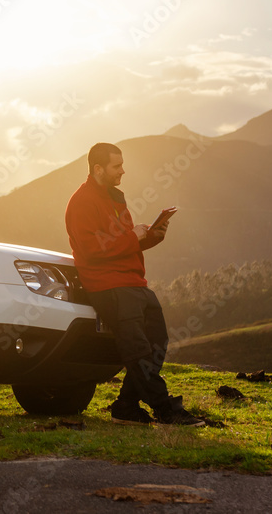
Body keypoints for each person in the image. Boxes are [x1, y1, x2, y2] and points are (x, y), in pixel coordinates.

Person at [64, 142, 205, 427]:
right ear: (98, 168)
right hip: (108, 286)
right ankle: (166, 410)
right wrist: (133, 237)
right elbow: (92, 249)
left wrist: (152, 236)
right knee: (138, 350)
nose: (123, 171)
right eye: (117, 166)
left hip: (133, 282)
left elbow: (123, 246)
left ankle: (125, 406)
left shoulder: (115, 198)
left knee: (157, 342)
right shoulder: (81, 202)